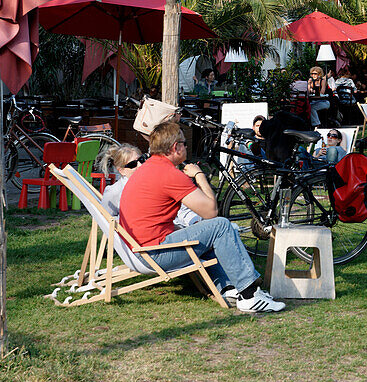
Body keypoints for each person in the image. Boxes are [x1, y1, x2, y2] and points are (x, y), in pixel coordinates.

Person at [118, 122, 284, 313]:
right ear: (175, 147)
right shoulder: (169, 174)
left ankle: (228, 286)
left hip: (140, 250)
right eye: (184, 143)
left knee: (205, 228)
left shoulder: (148, 169)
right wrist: (200, 176)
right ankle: (250, 295)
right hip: (155, 253)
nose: (186, 147)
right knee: (220, 226)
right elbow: (211, 211)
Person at [100, 144, 203, 228]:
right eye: (132, 165)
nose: (140, 165)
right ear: (121, 171)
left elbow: (181, 208)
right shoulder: (115, 192)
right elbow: (106, 220)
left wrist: (194, 221)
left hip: (177, 227)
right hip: (154, 238)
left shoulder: (156, 179)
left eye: (141, 159)